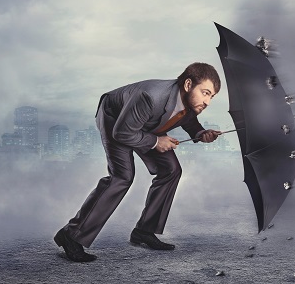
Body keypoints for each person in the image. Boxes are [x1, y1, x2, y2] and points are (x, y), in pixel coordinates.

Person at [54, 62, 222, 262]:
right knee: (122, 177)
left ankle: (144, 231)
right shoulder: (150, 97)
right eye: (205, 93)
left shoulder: (188, 102)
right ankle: (71, 235)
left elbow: (189, 120)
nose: (208, 102)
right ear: (187, 85)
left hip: (145, 124)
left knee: (171, 169)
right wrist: (155, 141)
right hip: (115, 118)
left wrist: (201, 133)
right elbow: (122, 132)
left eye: (211, 96)